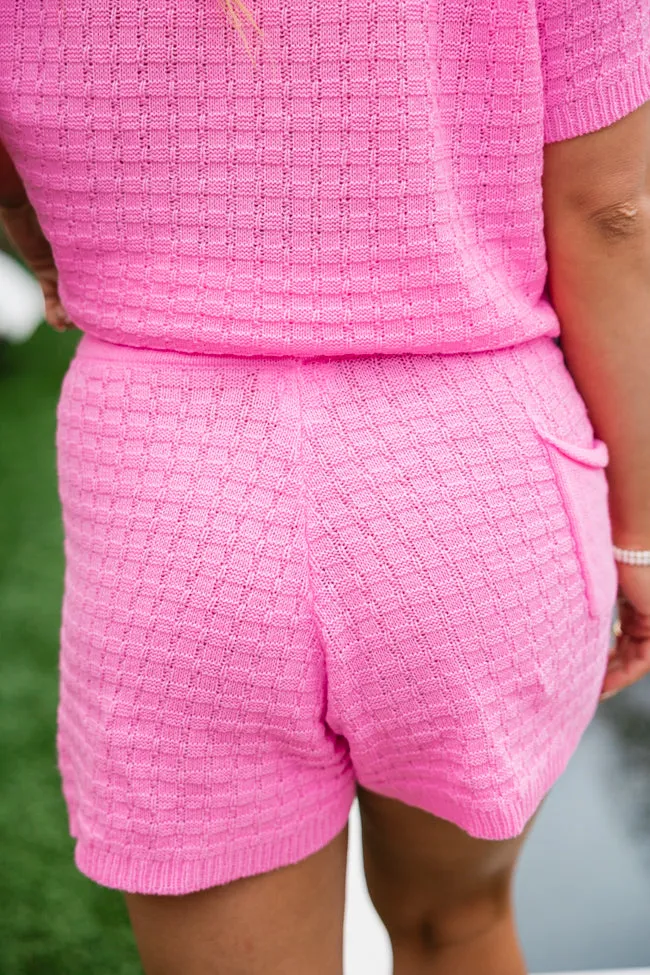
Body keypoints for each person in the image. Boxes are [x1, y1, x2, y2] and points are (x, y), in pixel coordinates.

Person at [1, 0, 650, 971]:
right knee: (456, 925)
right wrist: (639, 536)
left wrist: (44, 241)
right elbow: (609, 214)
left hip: (169, 497)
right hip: (474, 486)